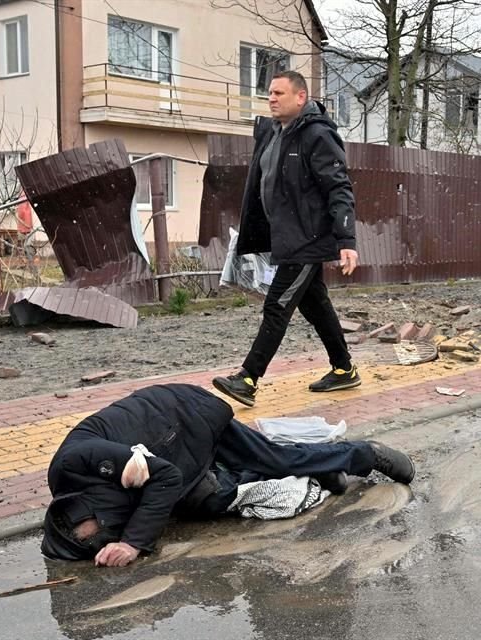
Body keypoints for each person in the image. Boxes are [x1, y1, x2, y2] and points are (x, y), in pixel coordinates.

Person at [41, 383, 415, 567]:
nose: (102, 534)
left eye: (95, 529)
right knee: (214, 495)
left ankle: (366, 454)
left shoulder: (76, 462)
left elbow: (165, 477)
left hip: (184, 415)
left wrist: (133, 544)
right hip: (171, 442)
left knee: (277, 460)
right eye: (96, 540)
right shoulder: (82, 497)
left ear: (78, 509)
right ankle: (327, 468)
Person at [212, 70, 360, 408]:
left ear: (301, 97)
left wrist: (346, 239)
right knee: (315, 305)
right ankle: (344, 369)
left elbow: (339, 188)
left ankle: (248, 378)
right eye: (270, 94)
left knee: (277, 305)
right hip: (286, 237)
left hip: (308, 240)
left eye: (279, 93)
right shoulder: (273, 134)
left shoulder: (317, 135)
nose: (272, 99)